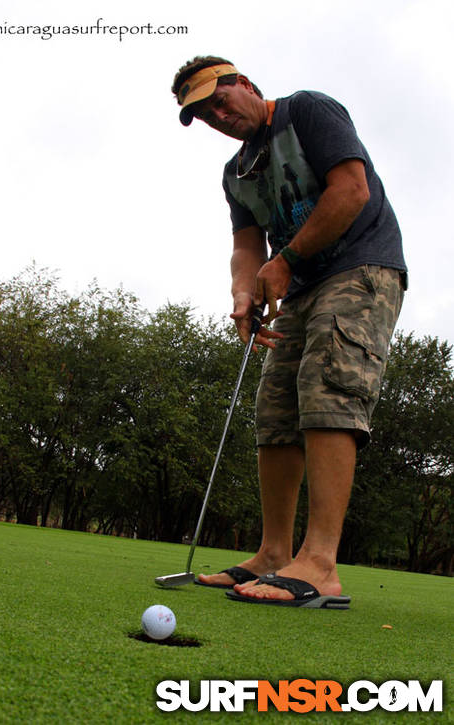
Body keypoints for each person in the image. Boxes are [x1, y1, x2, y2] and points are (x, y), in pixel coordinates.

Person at [171, 56, 407, 608]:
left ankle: (320, 563)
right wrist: (243, 293)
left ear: (246, 85)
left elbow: (352, 191)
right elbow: (247, 245)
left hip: (359, 268)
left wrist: (287, 260)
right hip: (296, 286)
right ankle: (275, 553)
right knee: (275, 408)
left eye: (221, 100)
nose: (219, 115)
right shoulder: (235, 172)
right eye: (205, 114)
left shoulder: (307, 111)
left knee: (328, 393)